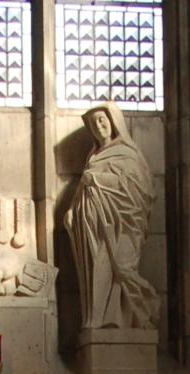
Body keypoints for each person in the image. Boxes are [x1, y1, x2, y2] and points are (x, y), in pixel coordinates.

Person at [64, 103, 159, 330]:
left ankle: (140, 314)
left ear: (113, 121)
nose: (99, 126)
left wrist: (97, 180)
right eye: (93, 123)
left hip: (121, 222)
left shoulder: (128, 154)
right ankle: (100, 318)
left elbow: (137, 189)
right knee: (98, 268)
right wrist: (71, 210)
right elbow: (82, 188)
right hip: (92, 224)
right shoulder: (93, 156)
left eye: (102, 119)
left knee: (122, 267)